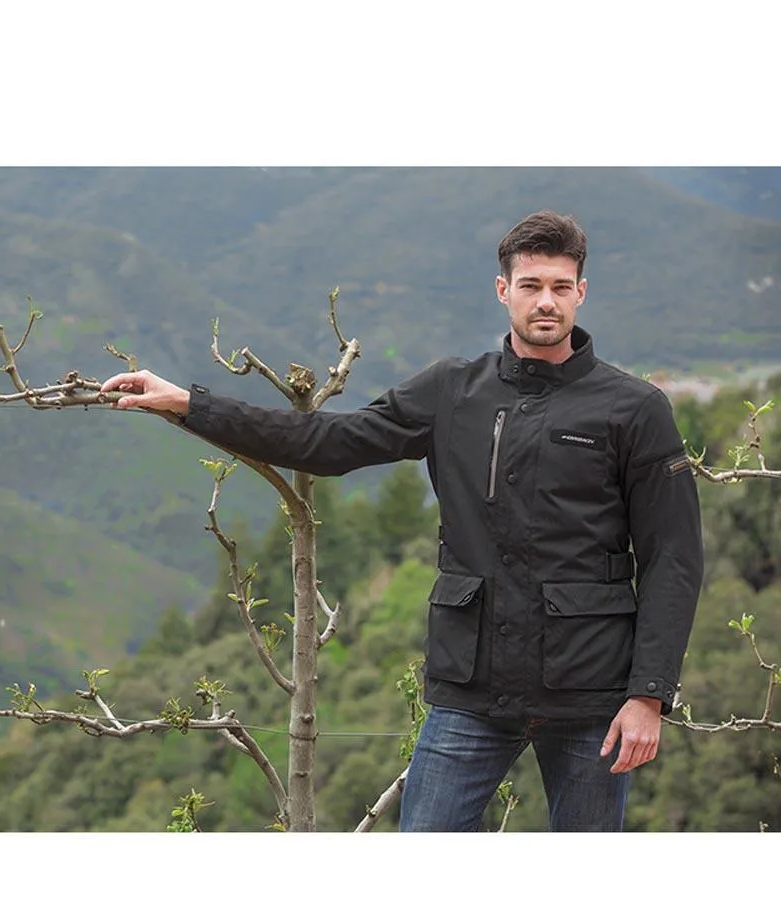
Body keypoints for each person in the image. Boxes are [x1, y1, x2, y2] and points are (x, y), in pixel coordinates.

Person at [100, 210, 704, 832]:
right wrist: (189, 405)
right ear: (504, 291)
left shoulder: (634, 409)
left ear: (581, 292)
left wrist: (648, 694)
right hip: (471, 689)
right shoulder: (453, 391)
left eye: (559, 286)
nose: (545, 301)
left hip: (592, 693)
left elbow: (674, 558)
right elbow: (326, 442)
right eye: (531, 286)